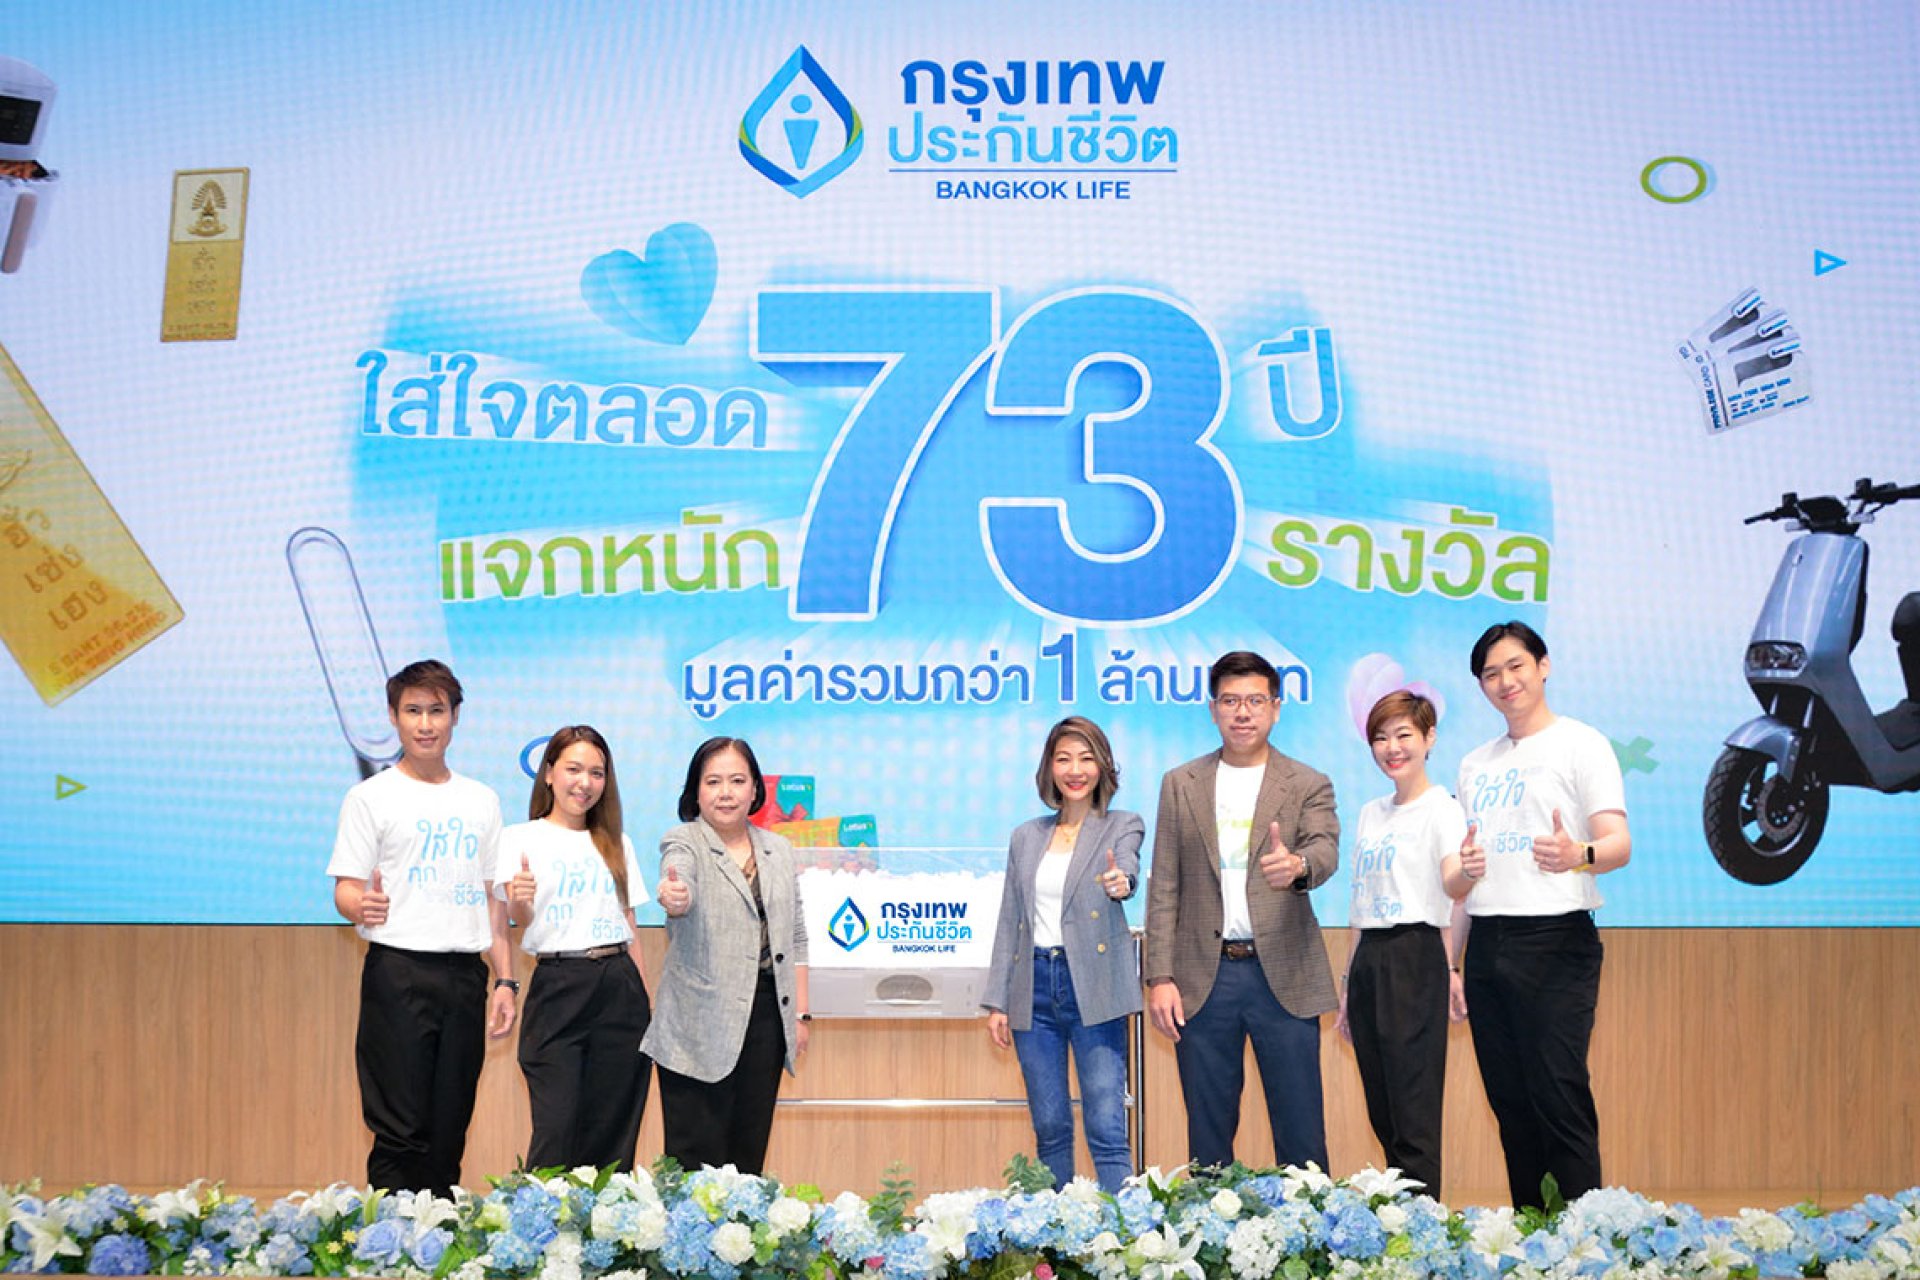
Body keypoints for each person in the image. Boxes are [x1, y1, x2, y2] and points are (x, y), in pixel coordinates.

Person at [1455, 620, 1630, 1209]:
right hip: (1487, 942)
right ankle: (1532, 1234)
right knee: (1510, 1103)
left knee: (1559, 1096)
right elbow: (1465, 880)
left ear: (1543, 666)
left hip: (1556, 939)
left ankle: (1582, 1237)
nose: (1505, 681)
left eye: (1516, 666)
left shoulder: (1582, 743)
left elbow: (1618, 844)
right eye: (1491, 674)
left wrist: (1579, 854)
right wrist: (1452, 964)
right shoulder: (1474, 764)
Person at [325, 659, 517, 1196]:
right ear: (393, 717)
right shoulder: (370, 796)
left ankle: (440, 1230)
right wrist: (360, 905)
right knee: (399, 1126)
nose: (426, 724)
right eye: (413, 711)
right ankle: (393, 1231)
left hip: (465, 976)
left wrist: (505, 980)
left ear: (455, 717)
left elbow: (493, 899)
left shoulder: (481, 799)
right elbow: (345, 888)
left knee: (449, 1123)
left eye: (437, 710)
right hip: (398, 971)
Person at [1143, 650, 1339, 1170]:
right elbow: (1164, 884)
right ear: (1213, 710)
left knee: (1301, 1130)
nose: (1243, 712)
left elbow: (1325, 849)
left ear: (1276, 707)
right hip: (1203, 978)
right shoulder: (1181, 783)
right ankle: (1214, 1222)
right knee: (1208, 1134)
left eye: (1255, 700)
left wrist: (1297, 865)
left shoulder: (1307, 782)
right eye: (1230, 701)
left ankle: (1310, 1220)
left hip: (1285, 974)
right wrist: (1160, 976)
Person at [982, 716, 1145, 1192]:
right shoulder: (1026, 836)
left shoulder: (1123, 825)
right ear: (1049, 768)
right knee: (1050, 1126)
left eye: (1086, 758)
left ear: (1103, 766)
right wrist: (997, 1001)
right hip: (1032, 987)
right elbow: (1010, 918)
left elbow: (1127, 869)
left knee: (1106, 1124)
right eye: (1064, 759)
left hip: (1093, 985)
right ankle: (1054, 1231)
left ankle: (1123, 1229)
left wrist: (1121, 883)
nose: (1075, 770)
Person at [640, 737, 810, 1174]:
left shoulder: (778, 850)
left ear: (755, 789)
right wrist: (674, 894)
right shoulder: (683, 841)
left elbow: (796, 936)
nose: (726, 792)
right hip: (698, 1023)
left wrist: (800, 1016)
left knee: (747, 1158)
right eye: (713, 781)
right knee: (694, 1163)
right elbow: (678, 881)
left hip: (766, 1018)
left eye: (737, 780)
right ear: (695, 791)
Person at [1333, 690, 1472, 1196]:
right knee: (1383, 1105)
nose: (1392, 747)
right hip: (1370, 957)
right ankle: (1400, 1213)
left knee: (1414, 1105)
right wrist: (1348, 983)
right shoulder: (1371, 812)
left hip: (1416, 954)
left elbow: (1454, 885)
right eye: (1380, 737)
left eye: (1403, 735)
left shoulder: (1443, 810)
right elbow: (1360, 902)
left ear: (1429, 738)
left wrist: (1451, 965)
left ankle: (1421, 1218)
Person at [497, 726, 653, 1172]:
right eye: (573, 769)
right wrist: (519, 899)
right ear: (549, 773)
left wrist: (644, 1001)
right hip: (558, 983)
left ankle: (607, 1215)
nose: (585, 783)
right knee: (556, 1125)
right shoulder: (519, 838)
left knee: (614, 1128)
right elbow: (519, 921)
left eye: (596, 773)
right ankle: (543, 1213)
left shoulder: (617, 842)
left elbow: (628, 923)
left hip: (619, 984)